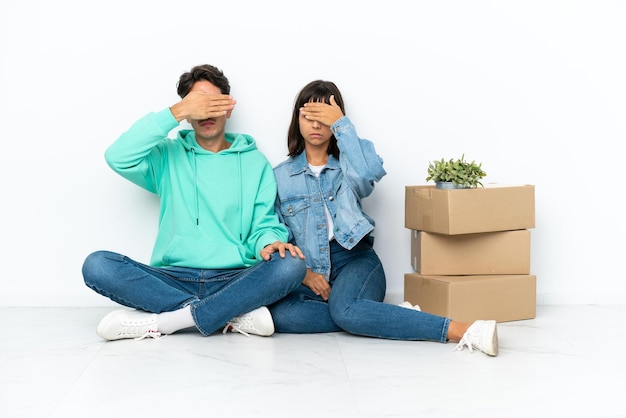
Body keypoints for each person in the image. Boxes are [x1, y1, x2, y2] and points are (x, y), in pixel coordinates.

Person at [268, 80, 498, 356]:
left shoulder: (351, 166)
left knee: (345, 309)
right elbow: (280, 234)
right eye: (309, 116)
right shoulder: (279, 176)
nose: (316, 125)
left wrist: (341, 124)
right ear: (297, 121)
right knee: (282, 316)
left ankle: (460, 329)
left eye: (324, 117)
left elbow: (368, 175)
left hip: (355, 258)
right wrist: (305, 274)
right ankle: (378, 315)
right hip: (311, 269)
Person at [82, 64, 306, 341]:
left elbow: (263, 224)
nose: (205, 112)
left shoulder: (254, 162)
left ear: (228, 106)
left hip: (234, 279)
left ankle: (169, 321)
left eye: (212, 103)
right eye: (196, 104)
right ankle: (230, 315)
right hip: (172, 278)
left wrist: (269, 242)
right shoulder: (166, 156)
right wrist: (176, 112)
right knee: (98, 265)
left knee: (291, 265)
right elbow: (118, 156)